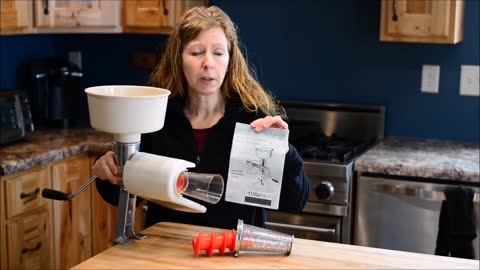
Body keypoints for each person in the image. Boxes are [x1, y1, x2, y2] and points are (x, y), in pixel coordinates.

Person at [93, 6, 310, 230]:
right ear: (179, 59)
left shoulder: (253, 120)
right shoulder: (155, 118)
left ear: (230, 60)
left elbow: (295, 202)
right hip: (167, 252)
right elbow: (124, 193)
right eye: (197, 53)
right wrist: (106, 172)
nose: (208, 63)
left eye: (218, 53)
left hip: (233, 254)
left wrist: (284, 153)